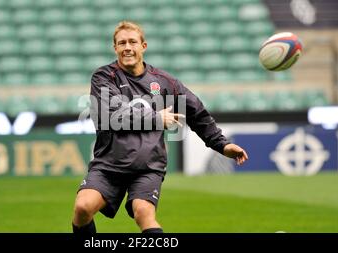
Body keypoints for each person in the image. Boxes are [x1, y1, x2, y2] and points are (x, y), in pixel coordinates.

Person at [71, 21, 249, 234]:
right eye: (122, 43)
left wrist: (223, 145)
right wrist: (156, 117)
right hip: (110, 164)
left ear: (143, 46)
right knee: (83, 208)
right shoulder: (103, 77)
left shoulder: (164, 82)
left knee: (143, 213)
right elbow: (111, 115)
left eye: (132, 42)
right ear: (115, 48)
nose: (127, 47)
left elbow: (196, 113)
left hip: (148, 166)